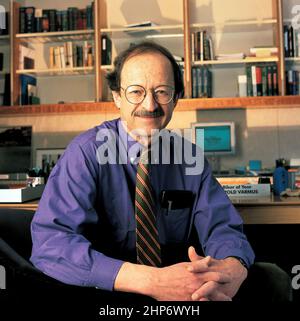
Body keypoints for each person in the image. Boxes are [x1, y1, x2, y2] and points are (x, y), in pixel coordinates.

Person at [30, 41, 257, 301]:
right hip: (105, 288)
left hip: (181, 286)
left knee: (273, 280)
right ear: (116, 96)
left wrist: (232, 265)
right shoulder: (84, 154)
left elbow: (222, 227)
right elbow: (51, 243)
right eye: (136, 92)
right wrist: (152, 281)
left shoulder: (190, 159)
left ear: (176, 98)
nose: (150, 105)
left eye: (162, 92)